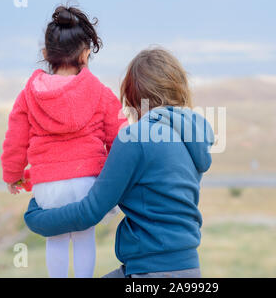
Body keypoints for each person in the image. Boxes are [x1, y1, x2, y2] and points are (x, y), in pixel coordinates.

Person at [24, 48, 214, 278]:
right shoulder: (191, 136)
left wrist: (36, 217)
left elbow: (89, 212)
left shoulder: (135, 139)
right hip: (188, 270)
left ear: (133, 96)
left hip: (152, 273)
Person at [1, 5, 126, 278]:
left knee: (55, 240)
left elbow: (15, 139)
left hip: (47, 185)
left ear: (46, 55)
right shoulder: (101, 93)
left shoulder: (29, 95)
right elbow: (119, 138)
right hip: (87, 183)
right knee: (84, 239)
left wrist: (13, 174)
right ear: (85, 54)